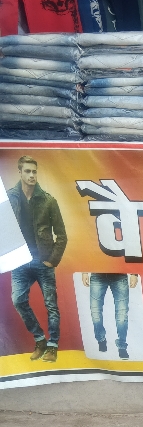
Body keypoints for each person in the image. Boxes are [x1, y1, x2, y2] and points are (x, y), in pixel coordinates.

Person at [7, 155, 67, 363]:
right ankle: (40, 339)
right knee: (18, 300)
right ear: (20, 172)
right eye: (27, 171)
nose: (32, 175)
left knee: (51, 305)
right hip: (20, 262)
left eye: (34, 171)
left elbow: (62, 235)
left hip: (43, 260)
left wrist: (52, 260)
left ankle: (53, 346)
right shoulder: (9, 198)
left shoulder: (48, 201)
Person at [82, 273, 140, 359]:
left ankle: (122, 346)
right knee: (95, 311)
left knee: (122, 314)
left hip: (119, 274)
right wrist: (84, 272)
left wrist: (134, 273)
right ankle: (101, 339)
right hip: (98, 273)